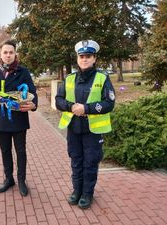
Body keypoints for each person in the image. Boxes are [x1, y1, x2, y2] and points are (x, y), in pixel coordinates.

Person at [55, 40, 115, 209]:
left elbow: (109, 103)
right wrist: (71, 106)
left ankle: (87, 193)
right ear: (77, 58)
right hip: (74, 128)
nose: (85, 59)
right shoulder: (69, 78)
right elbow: (58, 100)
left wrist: (86, 108)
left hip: (93, 130)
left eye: (88, 56)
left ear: (94, 58)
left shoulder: (102, 78)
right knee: (76, 161)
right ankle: (76, 191)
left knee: (90, 162)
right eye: (82, 56)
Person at [0, 39, 38, 196]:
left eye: (11, 52)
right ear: (0, 55)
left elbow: (33, 93)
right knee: (5, 150)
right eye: (5, 52)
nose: (8, 55)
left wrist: (34, 105)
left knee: (20, 151)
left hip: (19, 119)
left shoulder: (23, 72)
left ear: (15, 54)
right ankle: (9, 179)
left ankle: (21, 180)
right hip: (2, 120)